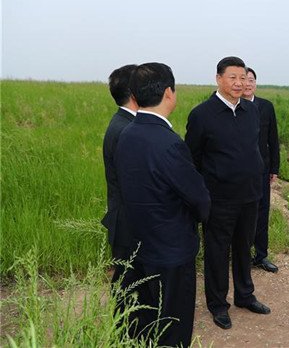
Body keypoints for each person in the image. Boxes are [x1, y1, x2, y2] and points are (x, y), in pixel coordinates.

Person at [115, 62, 211, 347]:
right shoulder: (168, 143)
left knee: (145, 318)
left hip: (139, 245)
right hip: (172, 250)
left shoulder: (126, 134)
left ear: (135, 95)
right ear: (169, 93)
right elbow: (199, 198)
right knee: (173, 324)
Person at [185, 56, 270, 330]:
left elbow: (254, 148)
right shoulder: (202, 115)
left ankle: (245, 295)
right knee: (217, 252)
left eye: (243, 77)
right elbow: (192, 159)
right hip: (219, 199)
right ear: (218, 79)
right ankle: (218, 304)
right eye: (232, 77)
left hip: (250, 195)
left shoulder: (251, 111)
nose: (239, 83)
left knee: (244, 247)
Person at [101, 64, 138, 285]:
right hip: (128, 222)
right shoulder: (127, 129)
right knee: (128, 283)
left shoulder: (124, 122)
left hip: (125, 219)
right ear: (134, 93)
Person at [242, 67, 280, 273]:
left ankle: (261, 255)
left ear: (255, 83)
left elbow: (273, 139)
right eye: (244, 80)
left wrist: (274, 167)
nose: (248, 84)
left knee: (262, 211)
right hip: (240, 171)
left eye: (251, 80)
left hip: (262, 169)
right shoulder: (234, 107)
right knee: (242, 212)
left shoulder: (266, 106)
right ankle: (241, 254)